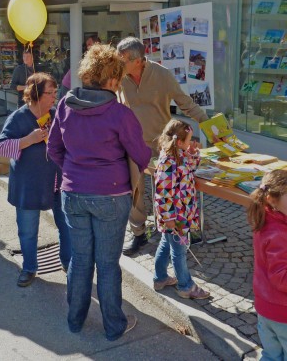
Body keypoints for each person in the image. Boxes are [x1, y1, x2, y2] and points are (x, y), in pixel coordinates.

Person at [47, 44, 151, 341]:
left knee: (80, 259)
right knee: (107, 263)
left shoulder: (66, 105)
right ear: (112, 80)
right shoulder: (119, 113)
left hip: (73, 193)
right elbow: (141, 156)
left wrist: (74, 170)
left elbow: (54, 149)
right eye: (118, 79)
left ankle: (75, 320)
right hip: (111, 195)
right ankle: (113, 325)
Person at [116, 37, 208, 256]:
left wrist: (213, 126)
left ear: (138, 60)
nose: (119, 63)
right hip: (133, 141)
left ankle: (183, 228)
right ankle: (138, 232)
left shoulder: (162, 75)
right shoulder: (118, 77)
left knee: (175, 185)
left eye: (123, 59)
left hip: (163, 142)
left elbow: (185, 103)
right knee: (134, 188)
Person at [0, 72, 71, 288]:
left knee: (66, 226)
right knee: (28, 230)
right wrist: (27, 141)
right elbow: (1, 148)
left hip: (57, 182)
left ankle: (68, 263)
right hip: (28, 185)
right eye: (50, 93)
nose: (54, 97)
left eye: (55, 92)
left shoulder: (56, 113)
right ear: (36, 94)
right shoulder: (19, 118)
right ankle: (29, 268)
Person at [153, 119, 210, 299]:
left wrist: (192, 154)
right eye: (188, 141)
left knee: (165, 243)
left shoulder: (179, 154)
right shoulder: (168, 161)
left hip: (180, 213)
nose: (190, 143)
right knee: (179, 250)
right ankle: (186, 286)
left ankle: (160, 277)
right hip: (175, 215)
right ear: (179, 142)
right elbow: (163, 194)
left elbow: (190, 168)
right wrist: (169, 218)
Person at [247, 170, 287, 359]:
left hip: (266, 308)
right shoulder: (278, 233)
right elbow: (281, 276)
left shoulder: (266, 220)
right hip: (283, 313)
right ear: (272, 199)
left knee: (271, 355)